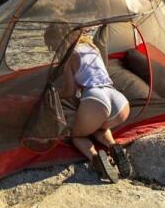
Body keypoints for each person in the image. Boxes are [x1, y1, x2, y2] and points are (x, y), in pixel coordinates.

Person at [43, 24, 132, 182]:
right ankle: (113, 146)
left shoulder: (69, 56)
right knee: (99, 127)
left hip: (96, 99)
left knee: (77, 136)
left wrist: (54, 95)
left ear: (58, 42)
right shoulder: (92, 47)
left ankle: (96, 160)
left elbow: (70, 91)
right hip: (119, 101)